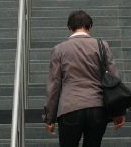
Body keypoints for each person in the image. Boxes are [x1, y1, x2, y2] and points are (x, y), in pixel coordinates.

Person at [44, 10, 125, 147]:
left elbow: (54, 85)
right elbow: (114, 78)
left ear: (70, 27)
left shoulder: (59, 49)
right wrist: (119, 112)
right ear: (90, 26)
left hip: (70, 107)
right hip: (97, 107)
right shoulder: (102, 46)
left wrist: (49, 117)